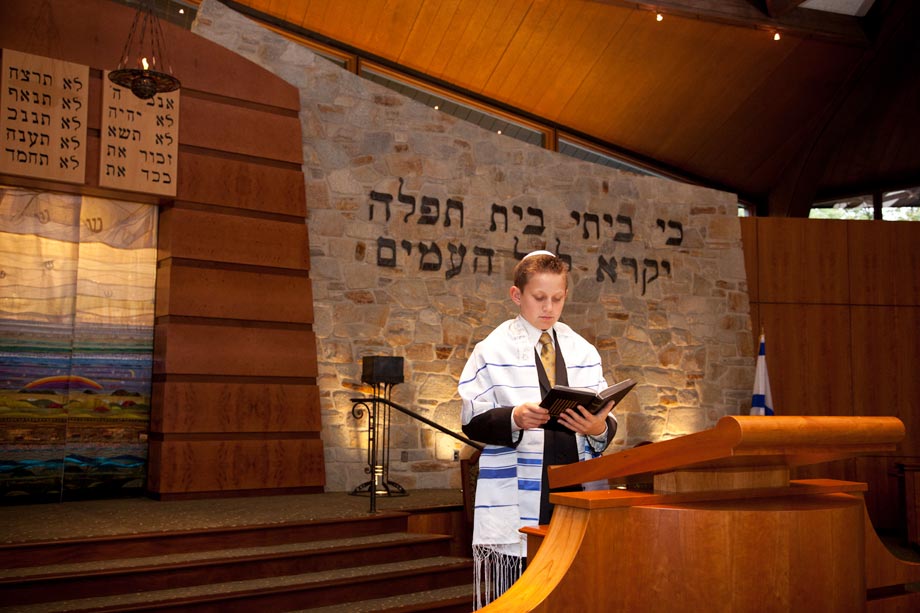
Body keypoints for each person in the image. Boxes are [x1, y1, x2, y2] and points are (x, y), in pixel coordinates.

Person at [458, 250, 618, 608]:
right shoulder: (491, 350)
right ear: (517, 296)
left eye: (557, 299)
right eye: (539, 298)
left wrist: (596, 427)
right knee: (522, 593)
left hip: (574, 484)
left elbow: (605, 417)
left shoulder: (582, 349)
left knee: (574, 591)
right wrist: (514, 417)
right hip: (520, 491)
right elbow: (471, 419)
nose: (549, 307)